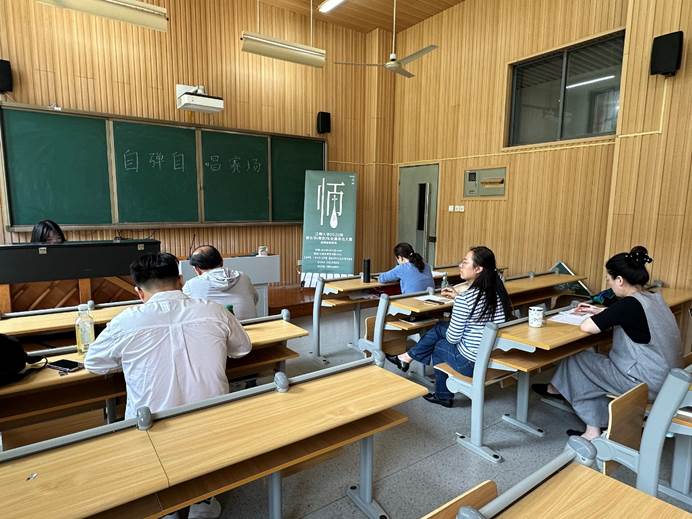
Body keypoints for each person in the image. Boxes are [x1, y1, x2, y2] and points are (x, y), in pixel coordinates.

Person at [85, 252, 251, 519]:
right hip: (211, 422)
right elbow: (242, 349)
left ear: (139, 292)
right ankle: (203, 501)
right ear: (181, 281)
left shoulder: (126, 321)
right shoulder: (214, 310)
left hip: (150, 429)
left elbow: (94, 363)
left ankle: (165, 504)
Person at [533, 246, 681, 440]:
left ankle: (591, 430)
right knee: (591, 362)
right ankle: (557, 389)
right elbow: (631, 316)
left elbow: (587, 327)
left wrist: (598, 315)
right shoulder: (654, 298)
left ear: (619, 280)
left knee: (577, 360)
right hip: (668, 379)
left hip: (644, 383)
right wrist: (603, 312)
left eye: (609, 279)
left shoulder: (628, 304)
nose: (609, 284)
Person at [387, 246, 512, 407]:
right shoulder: (497, 291)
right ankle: (407, 358)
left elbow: (453, 338)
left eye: (465, 262)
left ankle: (441, 393)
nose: (460, 265)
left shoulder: (466, 299)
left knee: (439, 343)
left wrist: (459, 301)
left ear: (479, 269)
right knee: (440, 327)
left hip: (471, 363)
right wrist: (458, 297)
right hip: (493, 354)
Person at [183, 245, 259, 320]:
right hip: (253, 326)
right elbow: (254, 300)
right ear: (222, 262)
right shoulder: (243, 277)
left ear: (197, 269)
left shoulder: (190, 285)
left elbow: (187, 315)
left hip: (216, 328)